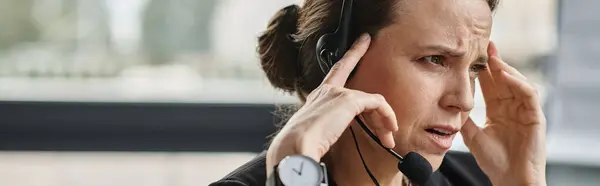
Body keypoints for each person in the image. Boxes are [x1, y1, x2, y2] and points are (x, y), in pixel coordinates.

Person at [211, 0, 547, 185]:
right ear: (338, 58)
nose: (465, 100)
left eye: (474, 67)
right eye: (435, 59)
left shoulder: (477, 180)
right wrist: (294, 176)